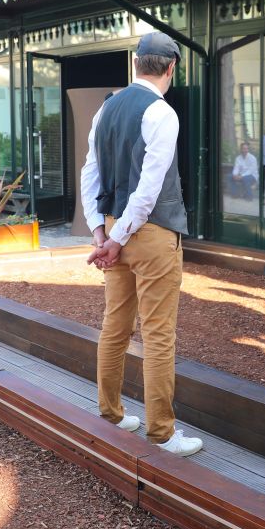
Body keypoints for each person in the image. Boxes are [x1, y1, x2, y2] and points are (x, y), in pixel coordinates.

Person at [81, 31, 202, 457]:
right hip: (149, 233)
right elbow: (150, 189)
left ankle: (110, 412)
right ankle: (162, 433)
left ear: (136, 63)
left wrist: (101, 230)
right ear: (171, 68)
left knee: (115, 325)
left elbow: (89, 174)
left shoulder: (106, 108)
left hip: (116, 228)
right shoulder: (162, 112)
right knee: (157, 334)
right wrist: (114, 237)